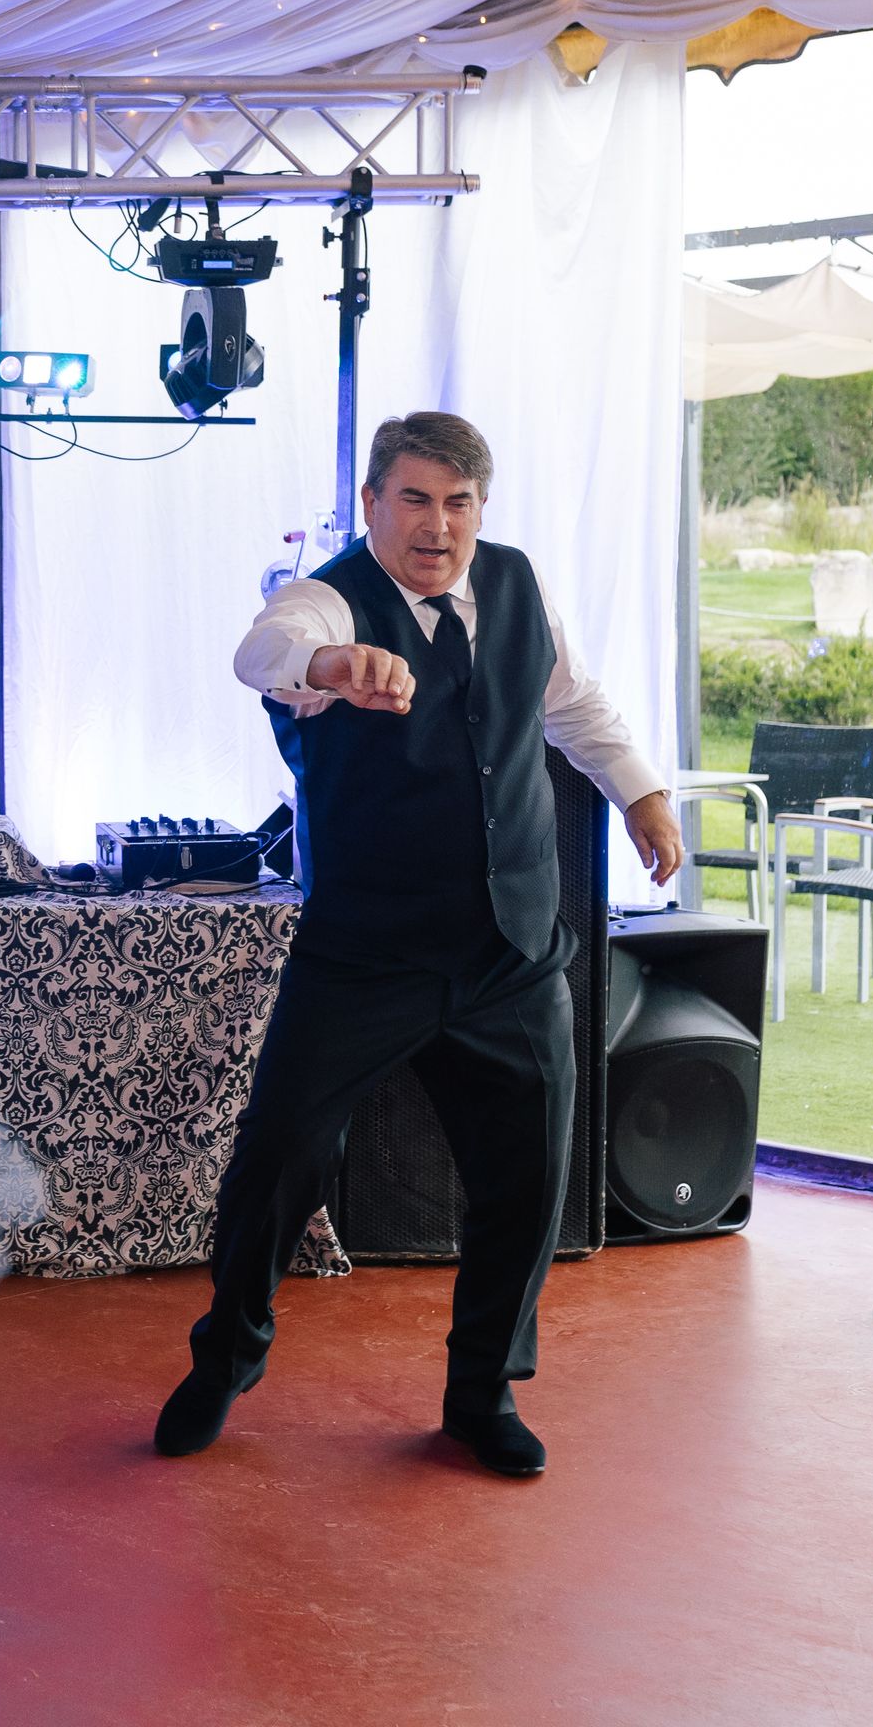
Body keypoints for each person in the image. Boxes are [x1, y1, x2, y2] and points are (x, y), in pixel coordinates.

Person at [154, 412, 682, 1478]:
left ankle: (481, 1392)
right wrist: (336, 660)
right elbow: (260, 651)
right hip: (369, 952)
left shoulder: (518, 585)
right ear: (372, 503)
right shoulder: (328, 598)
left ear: (479, 509)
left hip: (511, 951)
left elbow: (573, 703)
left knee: (529, 1174)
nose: (436, 525)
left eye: (457, 502)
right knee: (281, 1156)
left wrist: (644, 797)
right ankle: (228, 1356)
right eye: (413, 499)